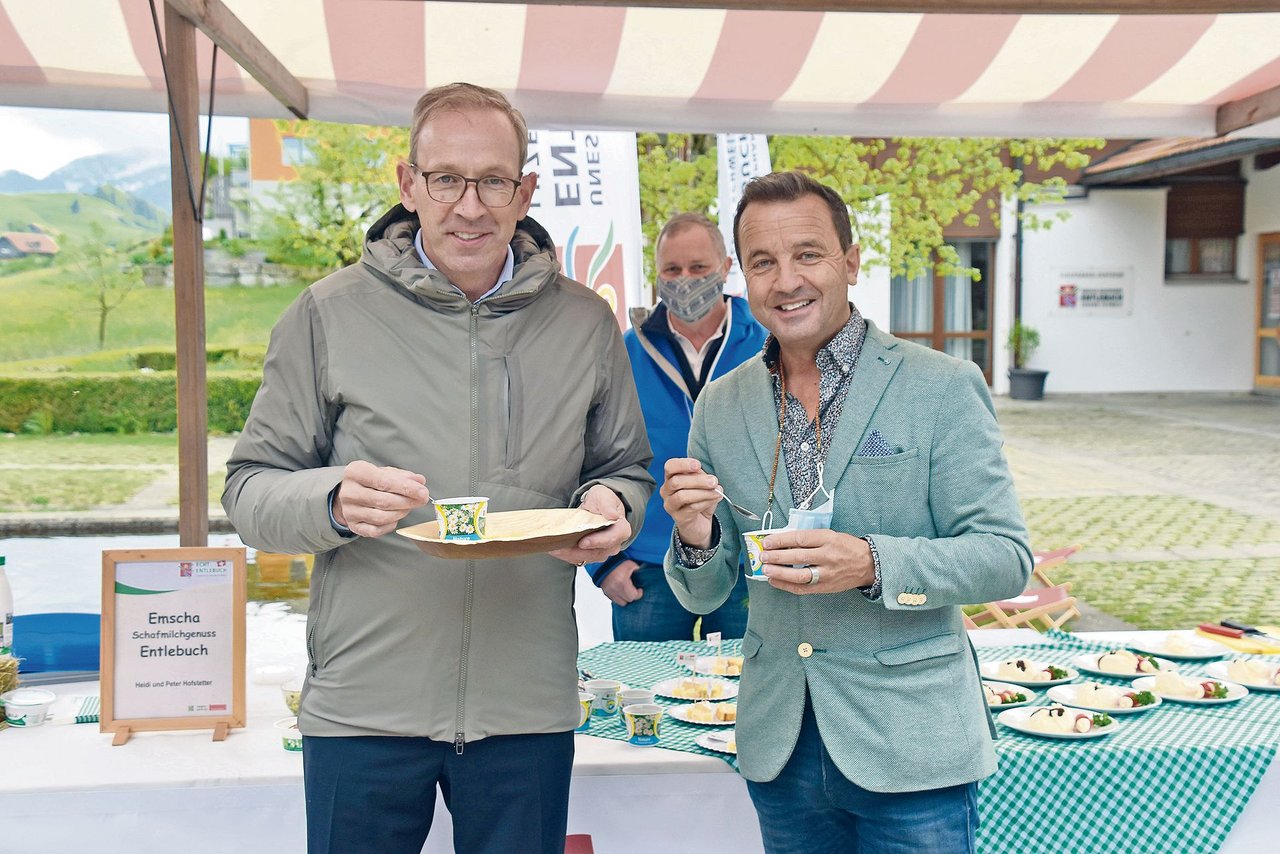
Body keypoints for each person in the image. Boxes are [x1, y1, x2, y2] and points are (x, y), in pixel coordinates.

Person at [222, 83, 653, 854]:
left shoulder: (586, 321)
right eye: (446, 178)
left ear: (524, 191)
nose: (470, 206)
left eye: (493, 181)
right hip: (364, 708)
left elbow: (625, 467)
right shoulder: (327, 314)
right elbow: (251, 490)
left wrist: (609, 505)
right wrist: (331, 500)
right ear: (407, 184)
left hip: (526, 708)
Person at [659, 171, 1032, 853]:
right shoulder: (722, 403)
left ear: (852, 261)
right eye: (764, 262)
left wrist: (872, 563)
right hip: (782, 742)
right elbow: (708, 592)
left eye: (808, 254)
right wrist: (694, 535)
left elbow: (1004, 558)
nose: (787, 281)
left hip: (912, 745)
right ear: (744, 276)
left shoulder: (941, 387)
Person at [588, 213, 766, 641]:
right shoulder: (625, 351)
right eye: (672, 269)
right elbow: (589, 453)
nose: (684, 280)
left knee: (745, 698)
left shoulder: (768, 344)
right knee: (645, 700)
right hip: (649, 561)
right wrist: (605, 564)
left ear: (726, 268)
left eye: (698, 268)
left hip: (747, 558)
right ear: (657, 274)